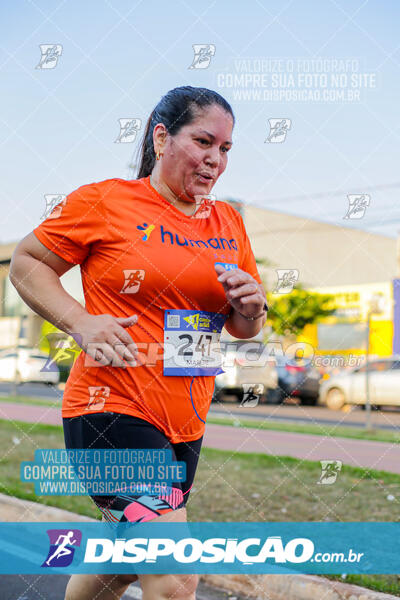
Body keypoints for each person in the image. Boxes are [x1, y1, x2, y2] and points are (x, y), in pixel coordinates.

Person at [9, 85, 268, 600]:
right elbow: (26, 263)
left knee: (124, 561)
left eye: (226, 149)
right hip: (110, 408)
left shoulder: (227, 222)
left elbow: (243, 327)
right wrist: (79, 321)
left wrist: (253, 307)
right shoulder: (107, 201)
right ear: (161, 137)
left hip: (185, 419)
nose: (215, 160)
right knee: (175, 574)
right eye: (203, 142)